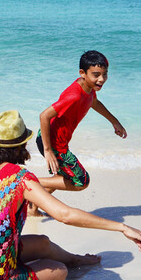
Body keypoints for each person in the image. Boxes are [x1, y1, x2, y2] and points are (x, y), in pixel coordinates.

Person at [0, 110, 141, 280]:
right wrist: (122, 227)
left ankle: (76, 259)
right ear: (22, 145)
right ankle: (52, 265)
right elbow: (65, 215)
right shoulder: (20, 179)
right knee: (59, 270)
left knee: (42, 242)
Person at [36, 49, 125, 195]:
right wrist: (48, 151)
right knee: (81, 181)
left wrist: (114, 122)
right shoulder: (74, 95)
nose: (101, 79)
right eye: (96, 75)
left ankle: (33, 207)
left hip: (59, 140)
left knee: (64, 175)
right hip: (53, 143)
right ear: (82, 73)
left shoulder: (89, 87)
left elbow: (94, 103)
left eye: (105, 74)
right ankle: (28, 181)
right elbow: (44, 116)